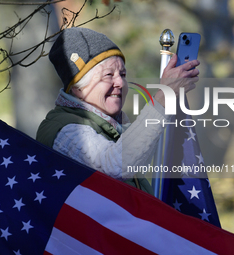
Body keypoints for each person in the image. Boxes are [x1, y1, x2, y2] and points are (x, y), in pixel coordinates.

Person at [36, 27, 199, 195]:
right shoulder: (64, 130)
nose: (120, 82)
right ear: (78, 87)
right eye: (108, 75)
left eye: (122, 74)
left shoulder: (116, 126)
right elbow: (114, 166)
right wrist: (164, 97)